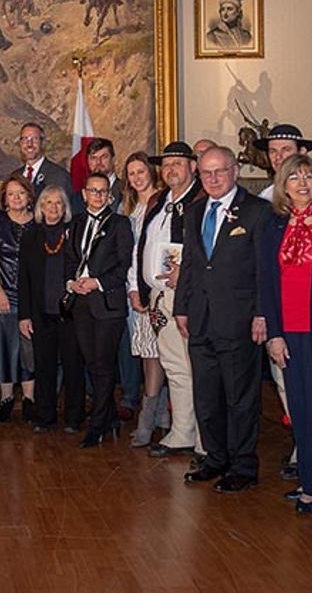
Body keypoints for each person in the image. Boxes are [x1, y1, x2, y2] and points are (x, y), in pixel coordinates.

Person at [175, 146, 270, 492]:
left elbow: (264, 269)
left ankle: (243, 465)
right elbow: (190, 262)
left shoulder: (258, 211)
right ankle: (215, 458)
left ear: (235, 170)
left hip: (239, 319)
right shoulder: (195, 209)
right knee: (207, 396)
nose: (213, 178)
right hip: (199, 318)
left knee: (240, 398)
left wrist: (262, 313)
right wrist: (180, 308)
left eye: (220, 171)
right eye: (206, 172)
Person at [258, 156, 312, 513]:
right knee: (300, 410)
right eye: (294, 176)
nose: (302, 182)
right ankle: (310, 479)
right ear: (283, 184)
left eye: (309, 175)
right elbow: (267, 282)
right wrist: (274, 335)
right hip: (287, 333)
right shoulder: (274, 225)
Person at [135, 142, 204, 459]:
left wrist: (187, 275)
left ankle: (205, 440)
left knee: (197, 367)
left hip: (188, 296)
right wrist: (141, 288)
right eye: (167, 164)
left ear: (193, 166)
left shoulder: (201, 201)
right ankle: (181, 431)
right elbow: (144, 245)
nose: (171, 169)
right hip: (159, 296)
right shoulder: (158, 200)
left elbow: (207, 251)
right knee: (175, 367)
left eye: (178, 163)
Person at [65, 172, 134, 448]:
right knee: (92, 363)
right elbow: (69, 259)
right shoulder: (77, 222)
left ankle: (98, 424)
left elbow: (124, 264)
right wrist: (71, 283)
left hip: (108, 304)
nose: (97, 195)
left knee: (104, 364)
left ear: (110, 195)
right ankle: (108, 418)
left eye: (103, 191)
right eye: (93, 191)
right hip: (81, 304)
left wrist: (97, 282)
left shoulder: (120, 224)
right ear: (84, 194)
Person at [18, 185, 82, 433]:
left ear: (65, 208)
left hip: (70, 313)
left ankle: (74, 418)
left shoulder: (74, 232)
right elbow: (23, 279)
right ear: (40, 207)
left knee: (73, 366)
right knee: (43, 367)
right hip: (40, 312)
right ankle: (44, 416)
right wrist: (24, 315)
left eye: (58, 203)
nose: (53, 208)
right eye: (48, 203)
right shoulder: (31, 235)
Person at [87, 137, 141, 421]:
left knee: (125, 345)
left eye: (104, 158)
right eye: (93, 159)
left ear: (113, 159)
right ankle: (97, 398)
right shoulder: (81, 195)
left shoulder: (128, 191)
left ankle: (130, 397)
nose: (99, 163)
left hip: (120, 285)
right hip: (89, 292)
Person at [0, 174, 36, 422]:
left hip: (30, 298)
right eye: (11, 193)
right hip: (1, 295)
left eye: (21, 193)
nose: (16, 198)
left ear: (29, 197)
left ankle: (29, 399)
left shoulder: (39, 223)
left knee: (29, 349)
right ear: (4, 198)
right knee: (4, 348)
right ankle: (5, 398)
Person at [122, 151, 168, 447]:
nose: (137, 177)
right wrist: (132, 289)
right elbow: (128, 254)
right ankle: (162, 414)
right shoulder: (127, 208)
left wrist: (152, 289)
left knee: (158, 354)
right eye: (131, 173)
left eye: (141, 171)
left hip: (157, 289)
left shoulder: (163, 203)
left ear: (152, 172)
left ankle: (147, 420)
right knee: (147, 353)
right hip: (134, 290)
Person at [253, 124, 312, 209]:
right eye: (273, 151)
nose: (278, 157)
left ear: (302, 152)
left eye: (286, 150)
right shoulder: (266, 197)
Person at [15, 122, 78, 212]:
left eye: (35, 139)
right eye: (25, 139)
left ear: (42, 143)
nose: (29, 144)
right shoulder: (15, 176)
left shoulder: (59, 175)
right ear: (20, 143)